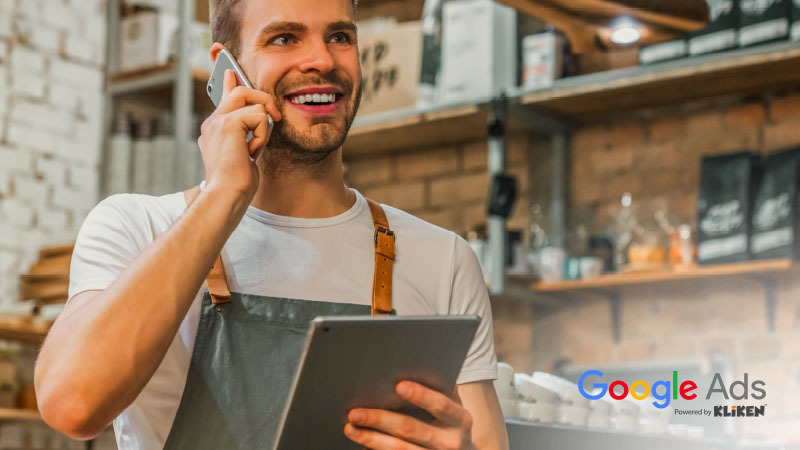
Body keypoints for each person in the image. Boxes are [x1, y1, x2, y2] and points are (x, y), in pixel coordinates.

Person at [34, 0, 508, 448]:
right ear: (227, 68)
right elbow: (73, 405)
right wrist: (223, 194)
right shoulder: (135, 227)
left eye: (340, 36)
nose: (322, 59)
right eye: (284, 38)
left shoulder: (443, 259)